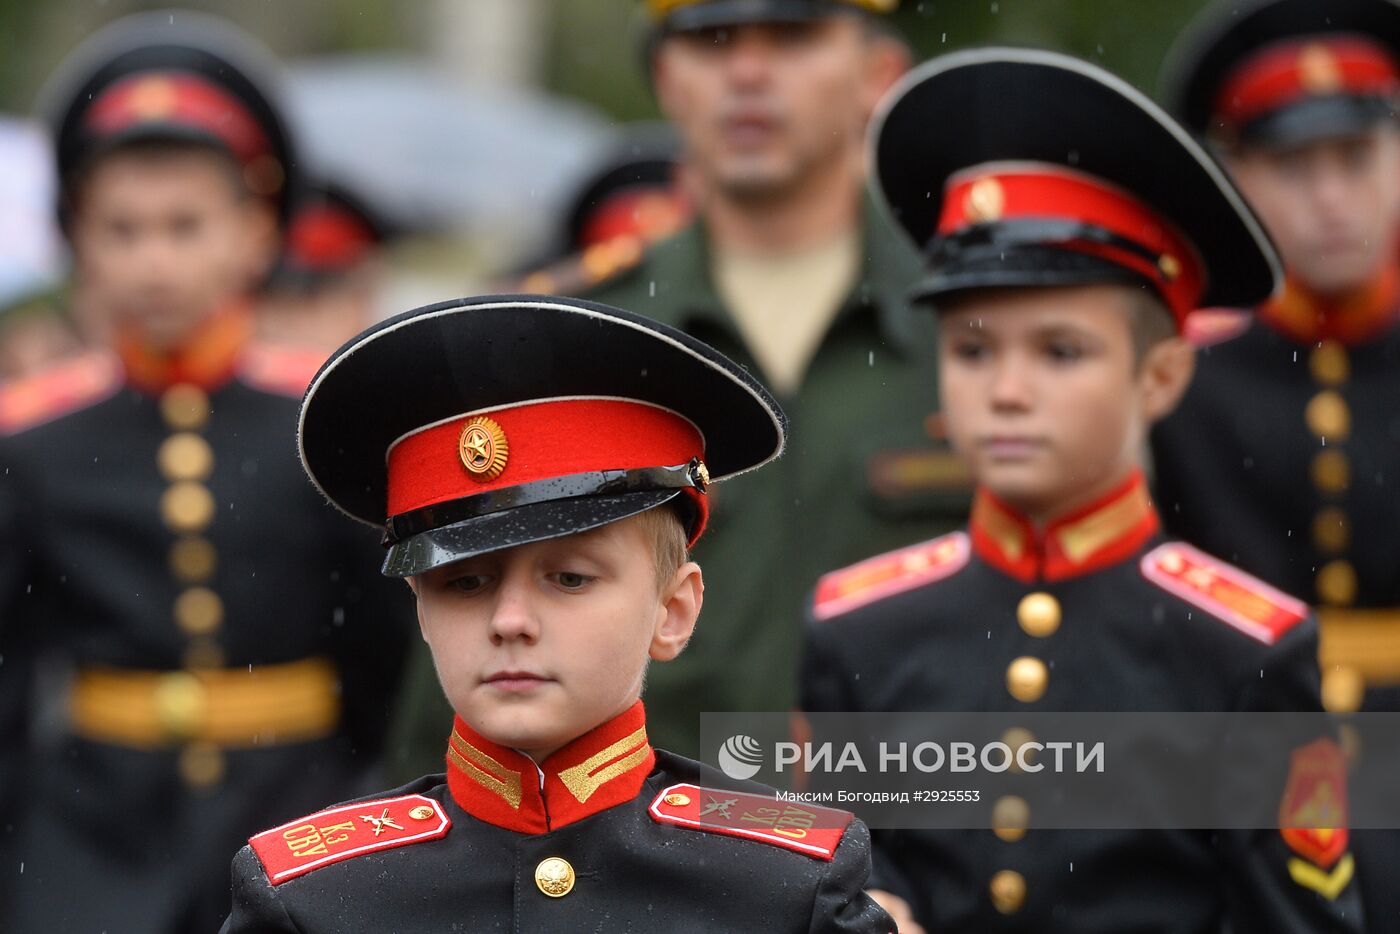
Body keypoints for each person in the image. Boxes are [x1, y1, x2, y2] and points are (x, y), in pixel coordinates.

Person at [801, 48, 1364, 932]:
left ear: (1162, 377)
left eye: (1061, 352)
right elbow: (843, 871)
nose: (1008, 390)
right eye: (974, 350)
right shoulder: (857, 628)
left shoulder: (1249, 654)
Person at [388, 0, 964, 775]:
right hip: (639, 866)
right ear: (666, 77)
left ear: (878, 73)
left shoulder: (982, 333)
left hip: (925, 860)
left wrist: (914, 863)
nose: (749, 73)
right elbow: (466, 659)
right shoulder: (566, 339)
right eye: (713, 40)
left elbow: (1103, 656)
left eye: (792, 37)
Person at [220, 293, 894, 933]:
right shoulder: (314, 903)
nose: (510, 619)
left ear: (674, 610)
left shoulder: (785, 888)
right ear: (419, 610)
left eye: (570, 578)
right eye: (465, 583)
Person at [0, 14, 412, 932]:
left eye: (186, 226)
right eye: (122, 229)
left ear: (256, 233)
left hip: (302, 815)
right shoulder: (31, 441)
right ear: (76, 241)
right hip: (87, 842)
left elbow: (392, 651)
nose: (154, 260)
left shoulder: (323, 420)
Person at [1153, 2, 1400, 928]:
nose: (1330, 198)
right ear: (1240, 175)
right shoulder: (1184, 381)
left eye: (1357, 159)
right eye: (1294, 167)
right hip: (1240, 759)